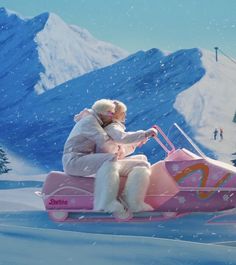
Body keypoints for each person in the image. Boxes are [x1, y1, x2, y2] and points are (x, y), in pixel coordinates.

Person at [93, 100, 157, 213]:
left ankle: (131, 196)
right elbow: (122, 138)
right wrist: (144, 133)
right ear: (115, 114)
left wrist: (137, 142)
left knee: (141, 159)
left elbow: (119, 149)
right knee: (143, 164)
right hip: (107, 163)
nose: (125, 115)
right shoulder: (113, 127)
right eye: (123, 112)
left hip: (109, 161)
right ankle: (132, 201)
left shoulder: (110, 128)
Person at [62, 99, 117, 178]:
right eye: (111, 113)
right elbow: (104, 142)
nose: (112, 117)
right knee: (110, 158)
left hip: (75, 159)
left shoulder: (91, 120)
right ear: (103, 112)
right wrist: (119, 149)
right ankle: (105, 188)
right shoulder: (90, 122)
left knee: (108, 158)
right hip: (74, 161)